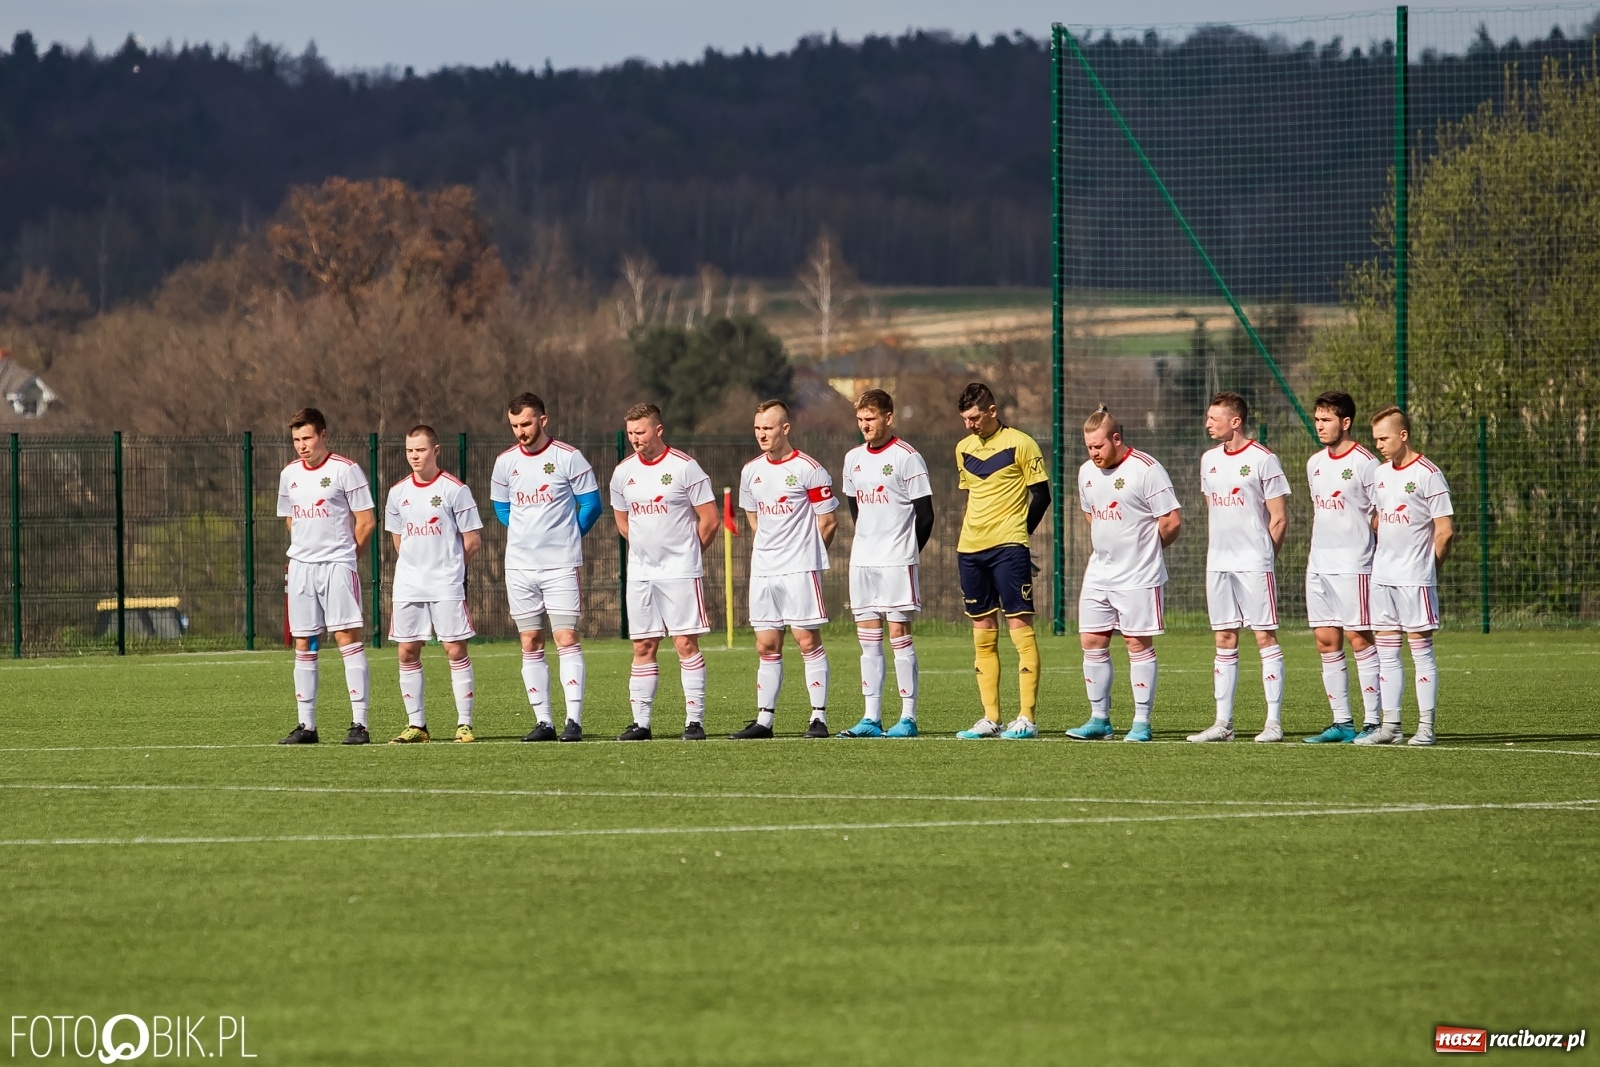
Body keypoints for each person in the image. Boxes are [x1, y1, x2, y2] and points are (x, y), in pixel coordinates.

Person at [490, 393, 603, 742]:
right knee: (530, 640)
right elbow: (501, 508)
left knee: (566, 637)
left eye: (526, 424)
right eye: (514, 425)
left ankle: (573, 721)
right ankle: (544, 722)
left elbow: (592, 505)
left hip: (560, 565)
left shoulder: (568, 457)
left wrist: (568, 536)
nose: (520, 431)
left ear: (543, 420)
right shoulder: (505, 462)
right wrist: (526, 537)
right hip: (520, 568)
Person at [1064, 405, 1181, 743]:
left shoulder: (1146, 469)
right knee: (1092, 641)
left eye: (1098, 445)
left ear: (1116, 439)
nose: (1093, 452)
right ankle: (1099, 719)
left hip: (1139, 575)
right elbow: (1091, 515)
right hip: (1099, 572)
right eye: (1089, 446)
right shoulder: (1086, 472)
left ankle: (1141, 722)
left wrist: (1146, 551)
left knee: (1136, 643)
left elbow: (1171, 521)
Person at [610, 403, 721, 741]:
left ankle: (694, 722)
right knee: (643, 645)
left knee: (685, 643)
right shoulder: (623, 472)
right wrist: (645, 550)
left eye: (640, 432)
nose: (635, 439)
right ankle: (641, 724)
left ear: (658, 430)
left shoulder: (685, 467)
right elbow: (623, 522)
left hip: (680, 572)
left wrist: (687, 555)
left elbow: (710, 520)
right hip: (641, 573)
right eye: (630, 433)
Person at [731, 400, 838, 739]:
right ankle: (764, 720)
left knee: (806, 640)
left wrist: (807, 556)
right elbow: (752, 515)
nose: (761, 434)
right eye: (757, 428)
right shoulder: (751, 471)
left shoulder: (809, 469)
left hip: (799, 569)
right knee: (766, 644)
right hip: (764, 570)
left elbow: (828, 521)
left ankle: (818, 718)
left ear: (785, 428)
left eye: (768, 427)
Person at [1189, 391, 1292, 744]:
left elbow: (1279, 518)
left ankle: (1273, 723)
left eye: (1214, 418)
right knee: (1224, 637)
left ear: (1235, 421)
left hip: (1254, 563)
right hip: (1218, 562)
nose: (1207, 423)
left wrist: (1264, 558)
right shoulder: (1209, 460)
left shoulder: (1264, 459)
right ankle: (1223, 724)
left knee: (1264, 636)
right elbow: (1213, 509)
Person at [951, 383, 1051, 740]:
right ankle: (990, 719)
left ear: (992, 411)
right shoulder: (963, 448)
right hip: (970, 549)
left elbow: (1041, 495)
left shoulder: (1021, 443)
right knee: (982, 635)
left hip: (1008, 547)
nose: (970, 425)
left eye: (975, 418)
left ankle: (1026, 719)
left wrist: (1019, 535)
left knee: (1020, 630)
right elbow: (973, 497)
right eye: (965, 419)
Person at [275, 408, 377, 745]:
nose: (301, 445)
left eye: (307, 438)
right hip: (301, 567)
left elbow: (366, 521)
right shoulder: (289, 474)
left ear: (323, 435)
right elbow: (290, 518)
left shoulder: (345, 470)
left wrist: (347, 558)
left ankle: (359, 724)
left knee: (347, 637)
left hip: (337, 566)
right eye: (296, 440)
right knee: (303, 641)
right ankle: (307, 726)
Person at [837, 389, 934, 738]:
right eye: (860, 419)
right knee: (867, 640)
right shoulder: (852, 458)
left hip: (896, 562)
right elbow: (855, 508)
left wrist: (906, 552)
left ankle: (908, 718)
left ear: (888, 418)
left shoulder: (907, 457)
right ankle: (870, 718)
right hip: (863, 562)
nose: (865, 425)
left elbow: (926, 514)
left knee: (898, 636)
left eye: (871, 418)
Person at [1355, 405, 1454, 747]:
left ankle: (1425, 727)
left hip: (1415, 579)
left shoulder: (1428, 474)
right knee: (1386, 652)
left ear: (1403, 435)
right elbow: (1378, 517)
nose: (1378, 445)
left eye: (1384, 438)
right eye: (1375, 439)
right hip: (1383, 577)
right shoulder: (1381, 474)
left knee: (1421, 651)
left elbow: (1445, 531)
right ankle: (1391, 726)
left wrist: (1429, 569)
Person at [383, 426, 484, 744]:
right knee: (407, 651)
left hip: (445, 585)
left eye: (421, 449)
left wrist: (449, 568)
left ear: (436, 450)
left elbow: (473, 540)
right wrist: (416, 568)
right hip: (408, 586)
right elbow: (398, 541)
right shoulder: (397, 493)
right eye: (410, 450)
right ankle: (417, 726)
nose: (415, 456)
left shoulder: (455, 490)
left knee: (455, 649)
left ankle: (464, 724)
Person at [1301, 391, 1384, 744]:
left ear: (1345, 422)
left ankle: (1375, 723)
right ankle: (1342, 722)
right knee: (1326, 640)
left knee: (1359, 638)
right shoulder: (1314, 463)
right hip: (1319, 564)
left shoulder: (1367, 463)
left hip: (1355, 566)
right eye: (1317, 419)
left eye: (1327, 420)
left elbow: (1381, 514)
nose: (1319, 426)